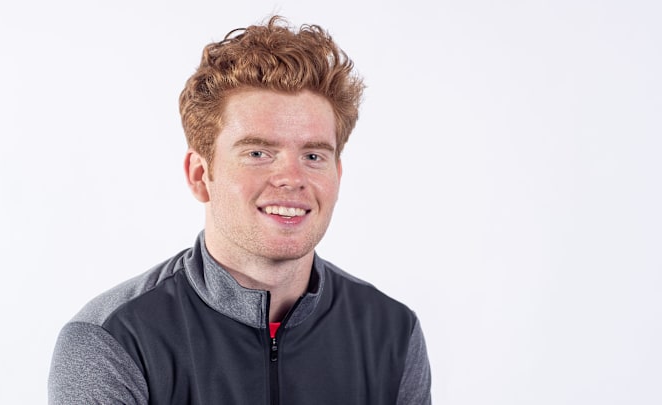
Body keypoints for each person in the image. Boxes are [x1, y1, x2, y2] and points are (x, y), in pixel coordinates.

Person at [48, 15, 431, 405]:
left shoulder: (393, 334)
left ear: (337, 174)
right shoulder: (114, 340)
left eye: (313, 155)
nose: (291, 178)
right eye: (258, 153)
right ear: (200, 175)